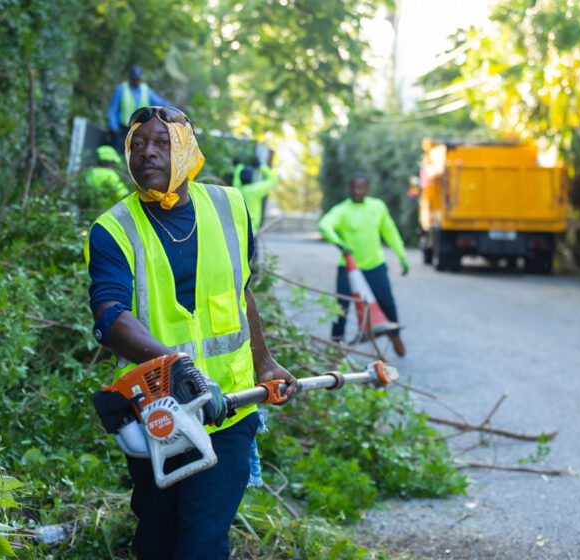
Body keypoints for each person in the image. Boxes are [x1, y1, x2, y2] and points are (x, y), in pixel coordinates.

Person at [85, 106, 297, 559]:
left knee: (201, 541)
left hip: (228, 411)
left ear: (187, 149)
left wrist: (265, 363)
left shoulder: (231, 206)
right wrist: (177, 366)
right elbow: (110, 316)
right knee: (157, 539)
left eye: (162, 142)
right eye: (137, 144)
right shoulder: (112, 229)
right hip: (157, 411)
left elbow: (240, 291)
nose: (148, 152)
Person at [318, 172, 409, 356]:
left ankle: (395, 337)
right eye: (353, 187)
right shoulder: (342, 210)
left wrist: (402, 255)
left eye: (360, 187)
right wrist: (338, 242)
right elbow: (325, 225)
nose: (356, 191)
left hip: (375, 267)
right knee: (341, 309)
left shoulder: (377, 207)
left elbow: (390, 232)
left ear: (367, 189)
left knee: (388, 304)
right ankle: (336, 349)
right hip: (349, 269)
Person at [106, 65, 170, 152]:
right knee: (119, 153)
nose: (136, 81)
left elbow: (160, 103)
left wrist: (172, 108)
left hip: (139, 131)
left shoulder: (146, 90)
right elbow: (113, 109)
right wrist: (113, 127)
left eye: (138, 79)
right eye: (134, 79)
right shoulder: (121, 89)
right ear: (130, 78)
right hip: (122, 129)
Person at [233, 158, 279, 236]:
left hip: (238, 229)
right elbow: (273, 179)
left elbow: (236, 179)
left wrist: (239, 167)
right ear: (251, 178)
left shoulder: (237, 189)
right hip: (252, 230)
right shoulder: (254, 190)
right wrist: (260, 166)